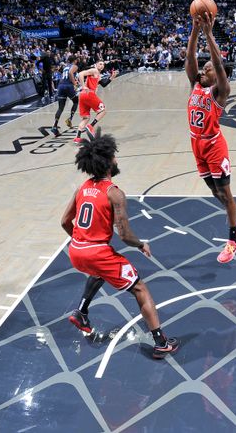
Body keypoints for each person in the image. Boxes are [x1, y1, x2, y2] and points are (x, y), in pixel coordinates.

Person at [60, 129, 179, 359]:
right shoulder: (114, 193)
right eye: (114, 156)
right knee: (140, 289)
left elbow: (65, 221)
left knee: (98, 271)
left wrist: (79, 241)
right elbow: (124, 234)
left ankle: (82, 312)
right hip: (97, 253)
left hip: (76, 251)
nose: (116, 159)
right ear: (106, 163)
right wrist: (140, 244)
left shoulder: (82, 189)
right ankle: (161, 342)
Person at [185, 12, 236, 262]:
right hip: (197, 145)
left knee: (225, 195)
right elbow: (189, 59)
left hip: (214, 146)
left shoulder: (220, 92)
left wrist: (209, 33)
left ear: (217, 75)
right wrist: (195, 30)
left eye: (208, 69)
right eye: (202, 69)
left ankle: (233, 239)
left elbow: (217, 63)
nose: (202, 71)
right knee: (217, 195)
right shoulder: (197, 85)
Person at [73, 60, 115, 144]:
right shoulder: (94, 70)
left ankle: (77, 138)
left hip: (82, 96)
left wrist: (112, 77)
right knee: (103, 111)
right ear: (96, 64)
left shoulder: (97, 74)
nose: (102, 65)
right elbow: (80, 74)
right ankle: (91, 126)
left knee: (86, 117)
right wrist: (83, 86)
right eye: (100, 64)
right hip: (89, 94)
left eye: (103, 64)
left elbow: (103, 84)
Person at [52, 55, 80, 136]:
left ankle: (54, 126)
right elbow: (71, 73)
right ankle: (70, 119)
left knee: (60, 108)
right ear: (75, 60)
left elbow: (62, 77)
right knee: (75, 101)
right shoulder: (74, 66)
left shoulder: (65, 67)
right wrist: (74, 84)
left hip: (61, 86)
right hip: (68, 86)